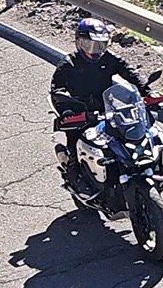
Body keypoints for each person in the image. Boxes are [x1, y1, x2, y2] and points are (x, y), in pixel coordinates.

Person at [51, 17, 149, 197]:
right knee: (75, 140)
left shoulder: (109, 59)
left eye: (100, 46)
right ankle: (74, 175)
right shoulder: (69, 63)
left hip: (105, 109)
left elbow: (130, 72)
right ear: (79, 42)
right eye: (90, 45)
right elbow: (57, 89)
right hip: (79, 111)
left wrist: (147, 91)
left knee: (122, 137)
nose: (95, 51)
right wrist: (67, 108)